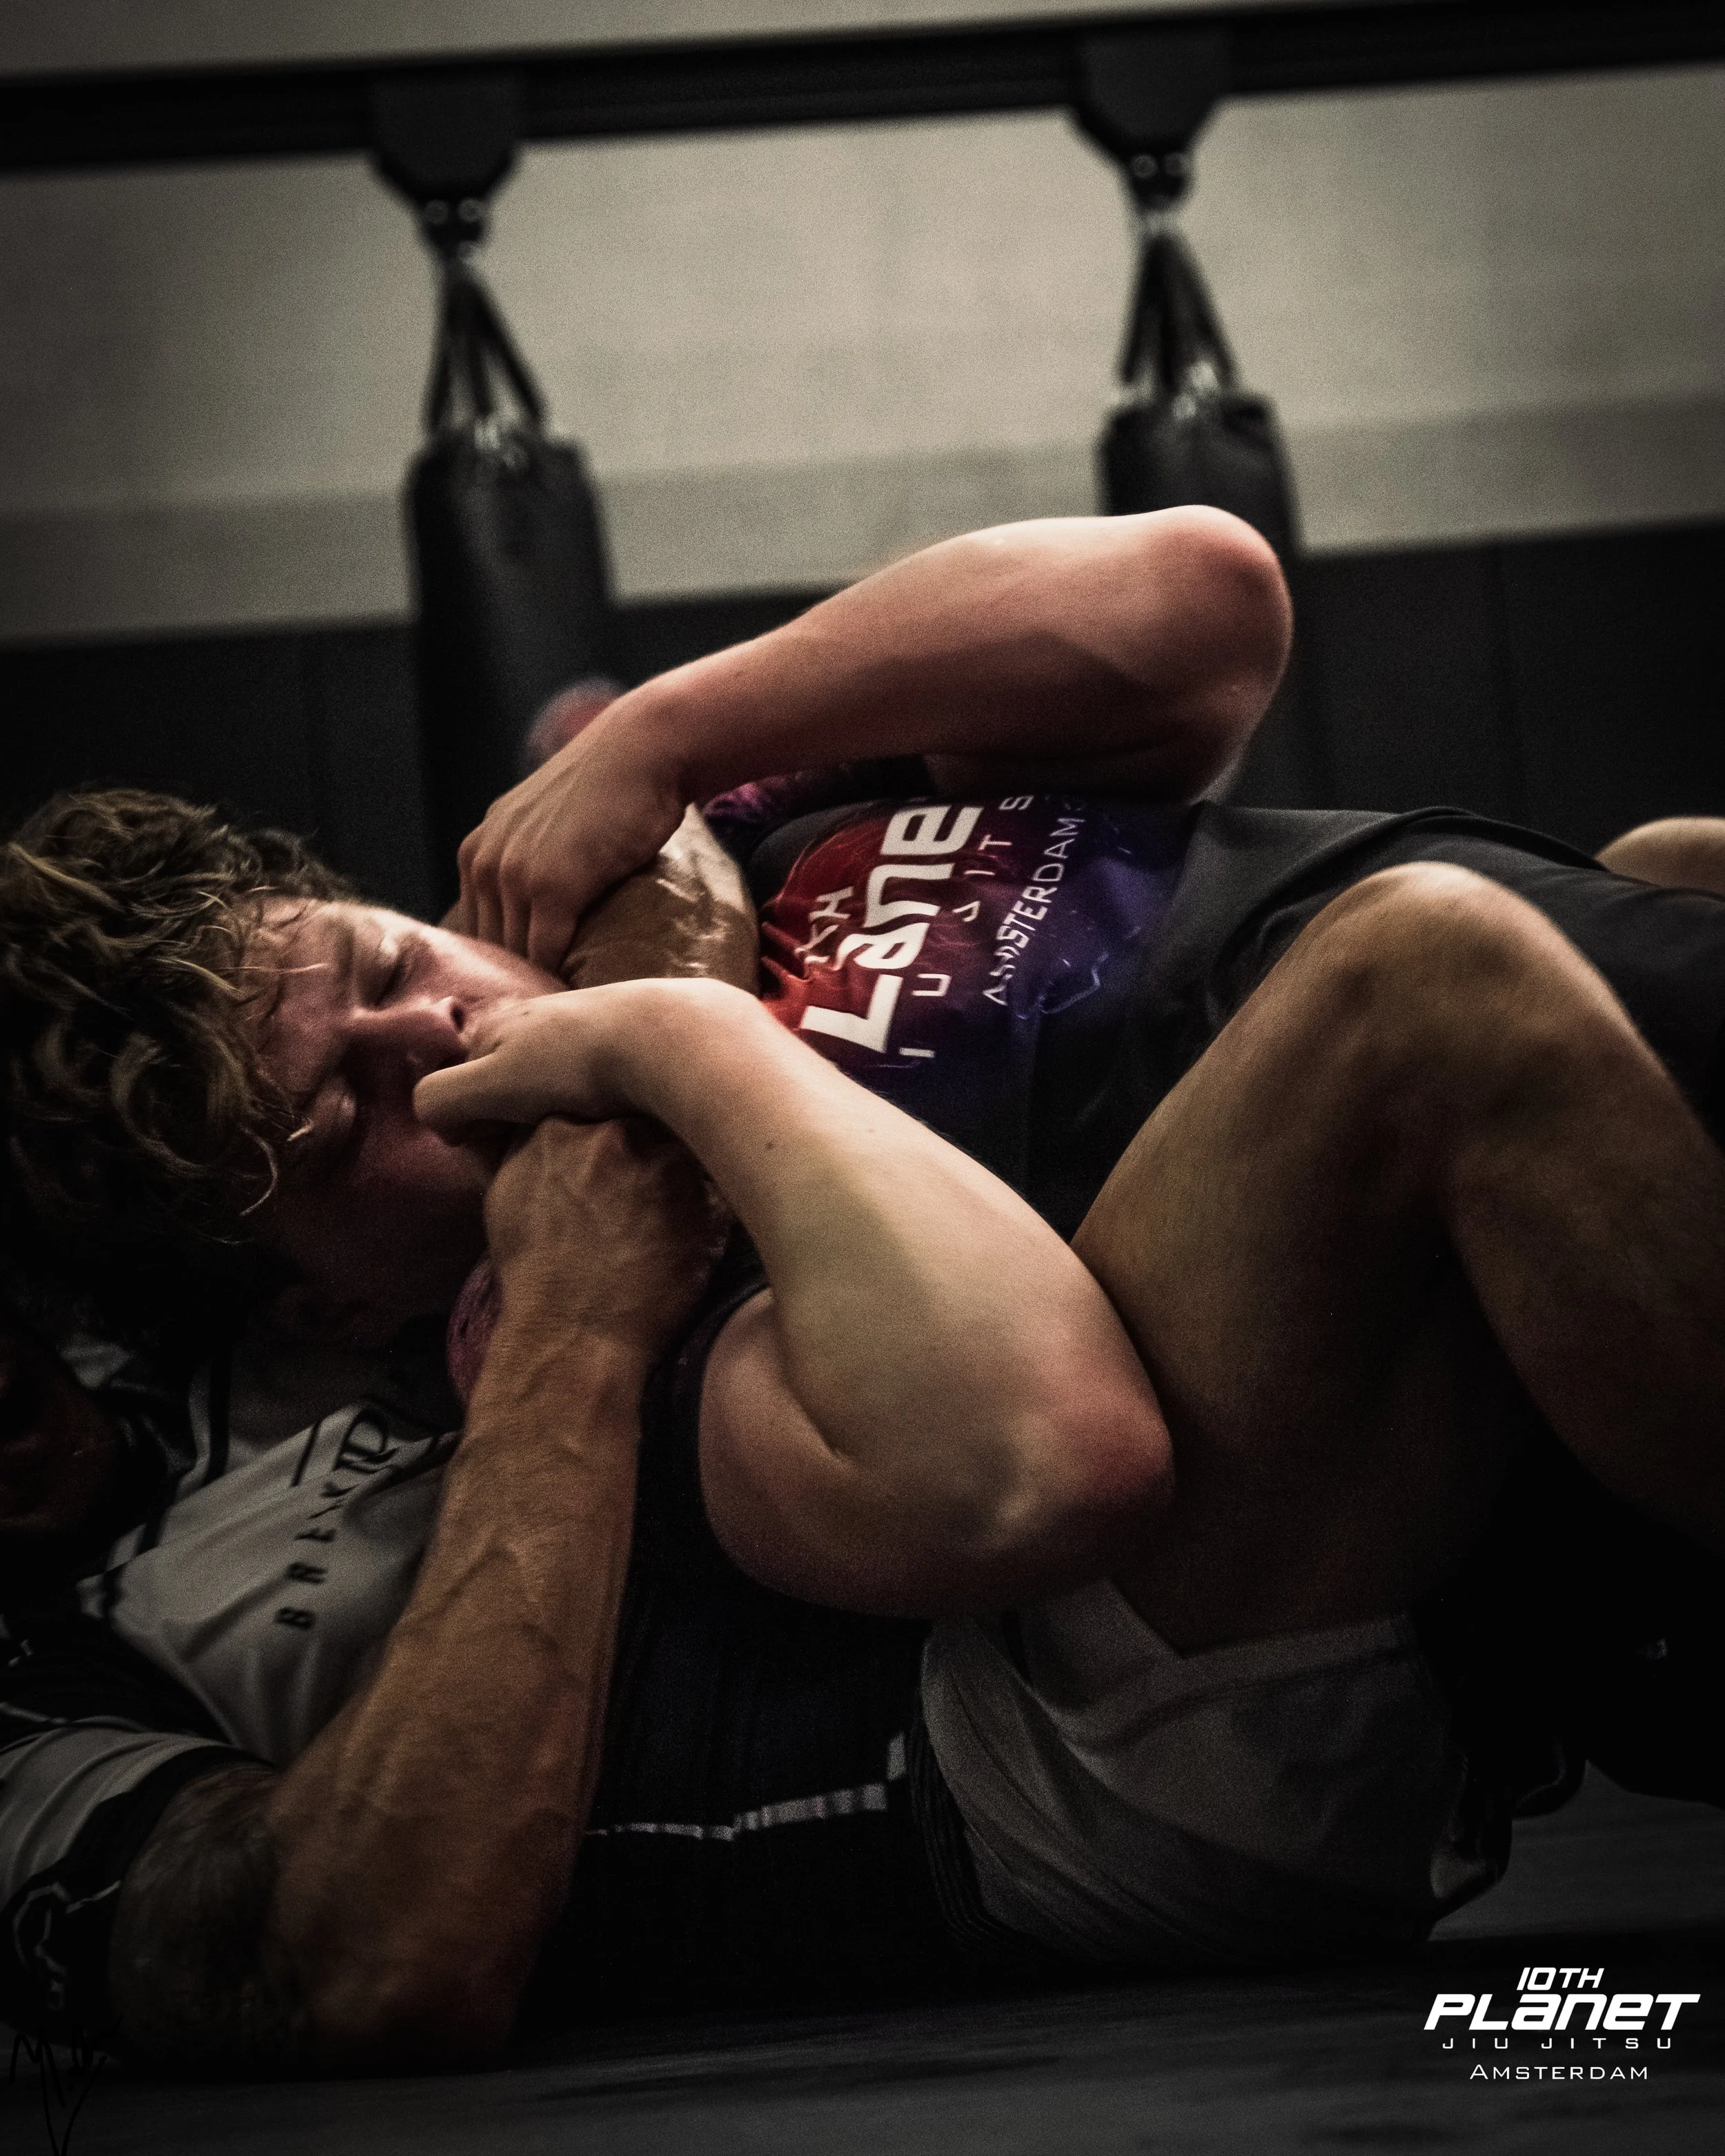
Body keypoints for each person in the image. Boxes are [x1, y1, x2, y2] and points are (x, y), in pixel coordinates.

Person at [0, 509, 1720, 2073]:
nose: (430, 1026)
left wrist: (671, 729)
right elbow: (1027, 1460)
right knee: (1426, 969)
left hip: (1438, 1144)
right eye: (352, 1112)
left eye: (387, 962)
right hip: (1218, 1427)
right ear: (312, 1307)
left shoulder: (659, 845)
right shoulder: (580, 1273)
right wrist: (685, 1045)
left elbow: (1203, 595)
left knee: (1667, 865)